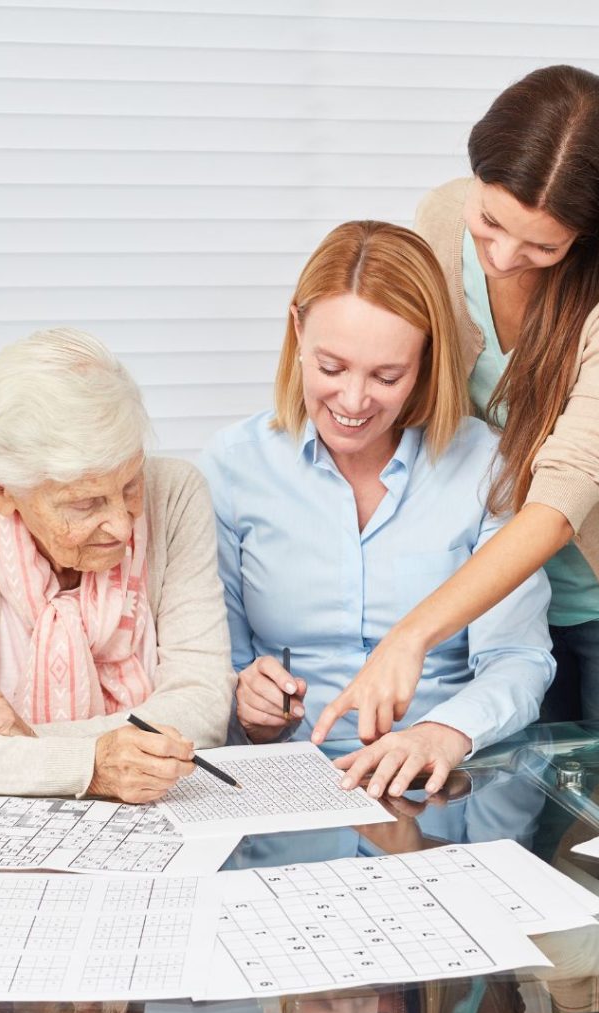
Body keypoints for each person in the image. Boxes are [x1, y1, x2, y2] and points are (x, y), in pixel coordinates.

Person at [311, 64, 599, 744]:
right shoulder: (440, 217)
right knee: (510, 812)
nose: (504, 256)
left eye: (543, 245)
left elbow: (565, 490)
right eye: (490, 221)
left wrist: (414, 631)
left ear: (591, 234)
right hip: (489, 592)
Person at [201, 220, 555, 800]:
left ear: (425, 361)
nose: (353, 401)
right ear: (296, 329)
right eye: (331, 368)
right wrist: (249, 704)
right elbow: (219, 671)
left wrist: (442, 733)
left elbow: (517, 659)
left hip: (445, 788)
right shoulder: (233, 468)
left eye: (387, 376)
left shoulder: (485, 465)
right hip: (288, 792)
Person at [0, 328, 233, 802]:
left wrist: (29, 747)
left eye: (131, 483)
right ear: (0, 491)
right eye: (85, 504)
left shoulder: (176, 494)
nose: (122, 525)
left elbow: (201, 705)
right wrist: (88, 766)